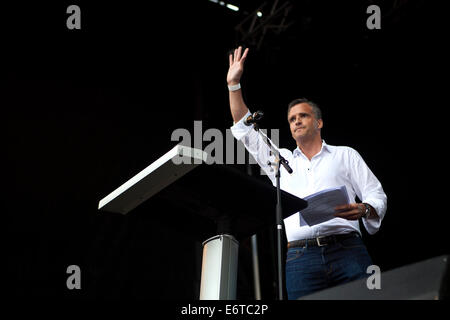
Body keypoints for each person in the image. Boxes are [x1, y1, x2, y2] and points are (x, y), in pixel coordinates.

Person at [227, 46, 387, 299]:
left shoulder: (345, 154)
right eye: (292, 119)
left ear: (319, 122)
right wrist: (234, 84)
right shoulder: (281, 159)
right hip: (301, 258)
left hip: (348, 249)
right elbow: (245, 130)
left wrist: (364, 209)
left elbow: (376, 194)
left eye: (303, 116)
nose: (297, 121)